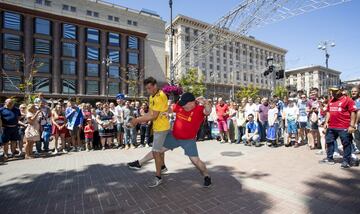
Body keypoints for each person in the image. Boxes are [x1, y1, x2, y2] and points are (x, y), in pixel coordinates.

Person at [127, 92, 212, 187]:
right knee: (157, 150)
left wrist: (206, 103)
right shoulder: (180, 106)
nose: (183, 106)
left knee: (195, 161)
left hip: (188, 140)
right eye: (182, 104)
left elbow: (208, 111)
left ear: (192, 103)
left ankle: (206, 176)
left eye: (185, 104)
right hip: (174, 136)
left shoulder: (199, 109)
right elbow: (170, 108)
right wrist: (163, 110)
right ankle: (140, 163)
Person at [126, 77, 170, 187]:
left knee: (156, 152)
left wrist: (136, 120)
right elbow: (150, 113)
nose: (148, 91)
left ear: (155, 86)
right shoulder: (151, 97)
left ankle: (158, 177)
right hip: (157, 127)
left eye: (149, 88)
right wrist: (139, 119)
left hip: (162, 128)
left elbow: (153, 115)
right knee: (160, 150)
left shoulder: (160, 96)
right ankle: (163, 167)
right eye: (147, 89)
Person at [320, 85, 357, 168]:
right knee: (329, 142)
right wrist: (326, 122)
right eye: (332, 91)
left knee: (346, 144)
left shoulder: (348, 100)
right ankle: (329, 158)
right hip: (331, 126)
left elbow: (353, 112)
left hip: (344, 127)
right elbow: (329, 112)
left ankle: (346, 161)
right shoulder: (331, 100)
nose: (333, 92)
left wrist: (352, 125)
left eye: (335, 91)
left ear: (341, 90)